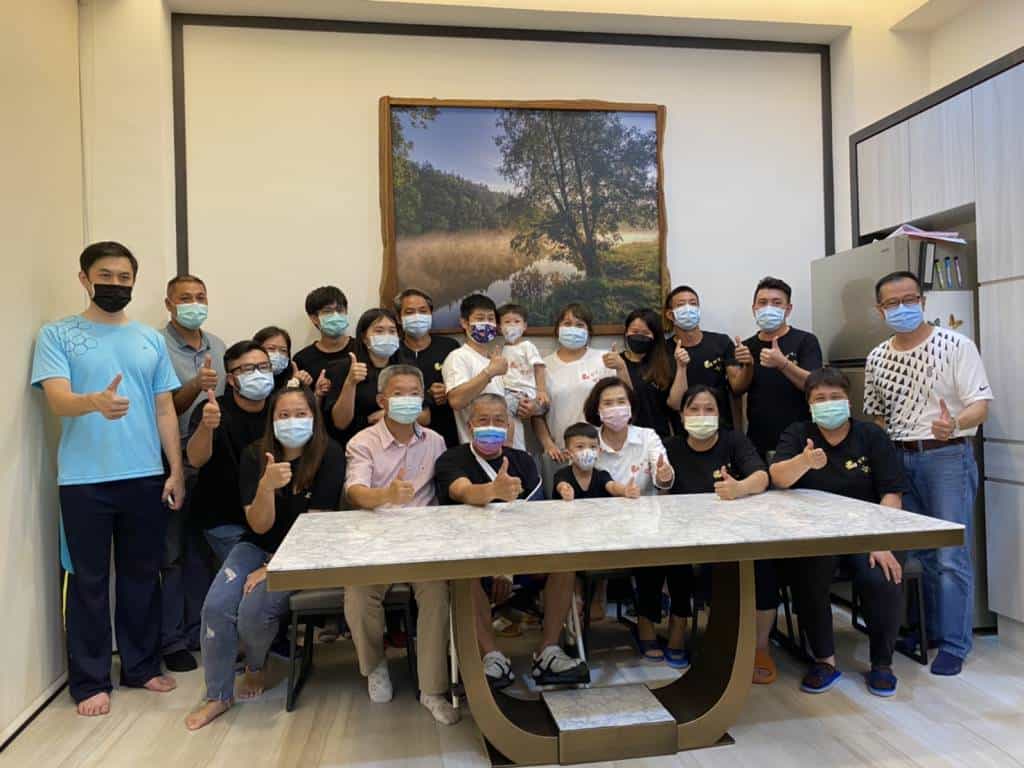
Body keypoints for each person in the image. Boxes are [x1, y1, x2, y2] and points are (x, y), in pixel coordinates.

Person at [32, 241, 184, 717]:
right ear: (84, 278)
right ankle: (90, 680)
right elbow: (57, 400)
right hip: (84, 481)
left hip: (146, 476)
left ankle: (140, 667)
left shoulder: (149, 339)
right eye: (105, 276)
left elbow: (164, 408)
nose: (115, 285)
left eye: (124, 278)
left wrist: (175, 469)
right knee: (88, 583)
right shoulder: (58, 335)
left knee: (143, 577)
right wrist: (93, 402)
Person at [185, 380, 345, 730]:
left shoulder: (330, 454)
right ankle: (217, 695)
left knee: (253, 611)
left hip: (305, 551)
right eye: (283, 415)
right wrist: (266, 486)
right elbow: (258, 526)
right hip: (256, 545)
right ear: (272, 420)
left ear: (314, 417)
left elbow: (315, 528)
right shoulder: (254, 455)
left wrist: (272, 568)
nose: (292, 421)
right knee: (216, 606)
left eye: (300, 413)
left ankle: (256, 665)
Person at [864, 271, 992, 677]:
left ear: (922, 301)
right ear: (880, 310)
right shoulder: (876, 357)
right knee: (918, 554)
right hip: (898, 459)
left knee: (950, 555)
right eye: (892, 303)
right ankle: (929, 632)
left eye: (910, 299)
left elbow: (980, 406)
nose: (902, 308)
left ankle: (954, 643)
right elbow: (876, 416)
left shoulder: (955, 345)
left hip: (946, 457)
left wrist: (954, 424)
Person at [434, 394, 589, 687]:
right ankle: (491, 657)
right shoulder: (451, 459)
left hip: (521, 556)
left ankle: (548, 652)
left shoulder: (523, 460)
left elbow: (532, 519)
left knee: (564, 563)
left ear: (509, 427)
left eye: (498, 421)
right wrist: (493, 490)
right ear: (470, 425)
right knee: (463, 573)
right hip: (474, 556)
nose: (491, 426)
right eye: (483, 420)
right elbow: (463, 492)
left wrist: (506, 567)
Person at [771, 367, 908, 696]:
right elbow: (778, 478)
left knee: (881, 574)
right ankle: (824, 660)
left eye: (835, 397)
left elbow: (892, 494)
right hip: (815, 535)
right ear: (809, 404)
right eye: (820, 398)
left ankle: (882, 664)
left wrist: (881, 541)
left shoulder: (871, 436)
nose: (828, 403)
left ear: (848, 401)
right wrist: (804, 462)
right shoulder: (798, 433)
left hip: (867, 532)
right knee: (809, 570)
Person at [343, 364, 458, 725]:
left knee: (437, 595)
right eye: (398, 393)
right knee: (359, 594)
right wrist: (386, 495)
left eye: (414, 393)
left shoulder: (436, 441)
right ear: (382, 400)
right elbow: (355, 492)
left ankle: (433, 689)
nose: (407, 400)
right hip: (376, 536)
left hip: (424, 538)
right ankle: (375, 666)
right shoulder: (363, 442)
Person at [661, 385, 769, 671]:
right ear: (682, 415)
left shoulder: (734, 441)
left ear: (720, 414)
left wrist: (740, 487)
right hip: (683, 530)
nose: (701, 415)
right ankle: (678, 623)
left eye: (709, 409)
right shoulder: (670, 447)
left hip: (728, 530)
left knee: (747, 562)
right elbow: (660, 491)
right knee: (676, 557)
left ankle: (724, 632)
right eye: (694, 409)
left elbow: (761, 476)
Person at [159, 274, 226, 672]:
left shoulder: (217, 345)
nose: (194, 304)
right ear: (169, 304)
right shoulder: (156, 345)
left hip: (212, 460)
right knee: (171, 554)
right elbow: (163, 405)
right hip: (172, 460)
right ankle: (171, 640)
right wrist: (194, 384)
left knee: (204, 551)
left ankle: (200, 630)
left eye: (200, 296)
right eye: (185, 298)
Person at [583, 377, 675, 660]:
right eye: (608, 403)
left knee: (652, 549)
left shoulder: (647, 437)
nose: (615, 408)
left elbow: (663, 475)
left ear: (631, 407)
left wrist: (664, 475)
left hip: (644, 522)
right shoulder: (587, 439)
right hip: (599, 526)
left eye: (621, 402)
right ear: (597, 409)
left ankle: (646, 623)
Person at [186, 341, 273, 564]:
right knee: (252, 573)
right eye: (248, 369)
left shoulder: (280, 410)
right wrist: (206, 426)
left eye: (264, 367)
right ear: (232, 379)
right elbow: (196, 459)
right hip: (225, 519)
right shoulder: (213, 409)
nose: (258, 374)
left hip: (270, 517)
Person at [730, 276, 822, 458]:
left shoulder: (806, 340)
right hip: (758, 437)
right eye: (762, 302)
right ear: (754, 309)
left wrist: (783, 364)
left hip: (801, 436)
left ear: (788, 309)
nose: (768, 308)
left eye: (776, 303)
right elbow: (738, 389)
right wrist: (748, 365)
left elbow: (815, 385)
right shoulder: (746, 346)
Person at [323, 307, 427, 448]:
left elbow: (426, 416)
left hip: (402, 444)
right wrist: (350, 382)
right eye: (379, 331)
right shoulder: (343, 368)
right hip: (358, 445)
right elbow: (340, 423)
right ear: (364, 338)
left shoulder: (408, 367)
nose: (387, 336)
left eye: (392, 331)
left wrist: (389, 415)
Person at [442, 294, 532, 451]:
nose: (486, 323)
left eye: (491, 319)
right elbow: (456, 400)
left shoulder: (497, 358)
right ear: (464, 322)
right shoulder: (458, 357)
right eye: (480, 318)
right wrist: (490, 372)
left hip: (514, 448)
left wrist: (529, 406)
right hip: (481, 452)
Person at [532, 303, 616, 464]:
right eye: (567, 323)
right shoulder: (542, 366)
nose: (573, 329)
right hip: (561, 453)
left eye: (579, 325)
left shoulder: (604, 359)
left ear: (588, 330)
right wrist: (548, 445)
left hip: (601, 450)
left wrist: (621, 367)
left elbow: (622, 402)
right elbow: (537, 413)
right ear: (558, 329)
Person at [663, 285, 745, 430]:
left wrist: (748, 364)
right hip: (684, 431)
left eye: (693, 304)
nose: (688, 309)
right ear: (670, 314)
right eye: (681, 305)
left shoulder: (721, 342)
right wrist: (681, 367)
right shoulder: (663, 351)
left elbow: (737, 388)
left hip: (721, 429)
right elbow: (673, 402)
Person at [603, 308, 686, 439]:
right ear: (626, 332)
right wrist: (621, 368)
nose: (639, 336)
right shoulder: (615, 362)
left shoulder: (666, 363)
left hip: (660, 437)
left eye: (646, 333)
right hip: (625, 437)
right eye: (634, 331)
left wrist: (682, 367)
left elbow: (676, 404)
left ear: (655, 336)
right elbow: (628, 403)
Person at [395, 288, 460, 447]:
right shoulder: (393, 351)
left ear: (431, 315)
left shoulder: (450, 346)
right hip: (403, 435)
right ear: (398, 318)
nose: (417, 316)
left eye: (423, 311)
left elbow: (463, 386)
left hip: (446, 432)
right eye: (410, 312)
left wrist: (449, 391)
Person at [553, 422, 641, 501]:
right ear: (568, 454)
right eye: (580, 447)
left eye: (593, 447)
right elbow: (561, 485)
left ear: (599, 452)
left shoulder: (602, 475)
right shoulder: (562, 474)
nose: (587, 451)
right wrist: (565, 490)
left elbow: (612, 487)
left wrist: (625, 490)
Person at [497, 303, 549, 421]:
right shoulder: (501, 349)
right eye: (507, 322)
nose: (512, 325)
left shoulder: (527, 346)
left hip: (523, 392)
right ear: (499, 328)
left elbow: (539, 367)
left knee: (502, 411)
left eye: (517, 321)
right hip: (505, 392)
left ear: (524, 326)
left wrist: (541, 390)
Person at [292, 285, 353, 381]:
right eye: (328, 311)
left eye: (340, 310)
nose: (336, 316)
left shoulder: (363, 349)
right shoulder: (302, 359)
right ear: (314, 318)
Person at [253, 325, 315, 392]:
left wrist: (299, 385)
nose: (277, 354)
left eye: (283, 350)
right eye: (271, 348)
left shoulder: (291, 376)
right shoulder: (249, 378)